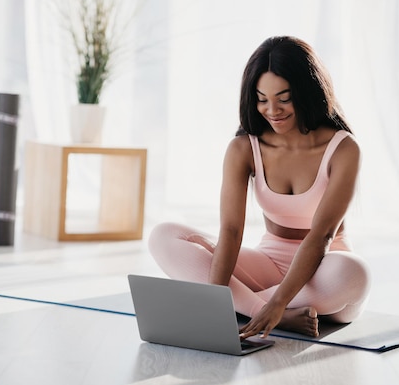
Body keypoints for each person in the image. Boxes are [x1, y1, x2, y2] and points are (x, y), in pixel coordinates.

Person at [148, 36, 370, 339]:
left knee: (353, 275)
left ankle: (253, 306)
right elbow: (230, 231)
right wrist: (215, 303)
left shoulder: (343, 148)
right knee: (164, 235)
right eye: (261, 98)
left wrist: (278, 301)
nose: (272, 110)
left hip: (325, 268)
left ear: (307, 91)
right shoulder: (244, 148)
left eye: (284, 98)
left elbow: (322, 236)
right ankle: (267, 313)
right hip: (269, 263)